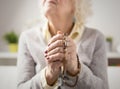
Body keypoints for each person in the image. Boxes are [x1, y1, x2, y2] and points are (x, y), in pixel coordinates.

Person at [17, 0, 109, 89]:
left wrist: (76, 69)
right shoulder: (27, 38)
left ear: (76, 4)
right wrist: (48, 75)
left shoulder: (96, 38)